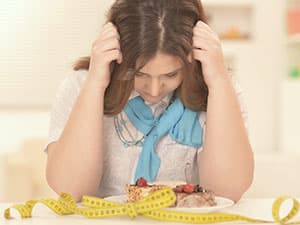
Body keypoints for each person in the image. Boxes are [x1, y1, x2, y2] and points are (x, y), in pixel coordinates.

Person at [45, 0, 254, 203]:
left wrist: (218, 81)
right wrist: (95, 84)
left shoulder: (220, 89)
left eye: (171, 75)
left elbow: (227, 192)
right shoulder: (81, 85)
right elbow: (70, 190)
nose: (154, 90)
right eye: (139, 73)